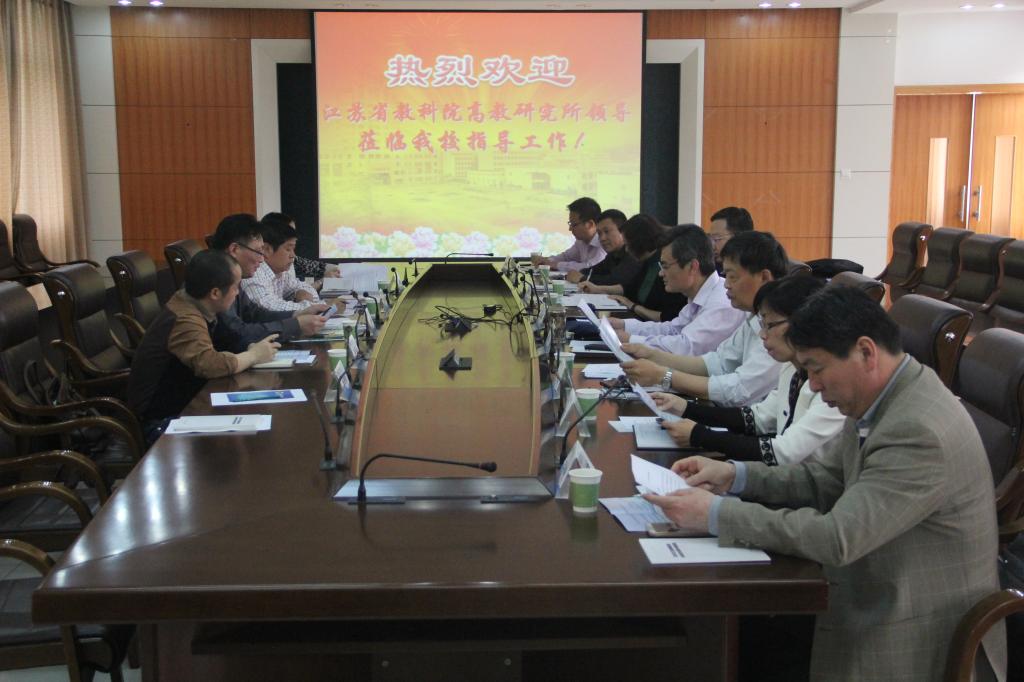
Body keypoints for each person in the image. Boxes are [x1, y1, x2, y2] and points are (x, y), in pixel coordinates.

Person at [644, 286, 1005, 682]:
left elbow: (837, 538)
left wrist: (716, 514)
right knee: (735, 637)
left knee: (737, 646)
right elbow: (825, 479)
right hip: (868, 586)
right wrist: (735, 475)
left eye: (816, 369)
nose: (812, 386)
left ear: (865, 352)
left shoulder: (917, 430)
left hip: (908, 632)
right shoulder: (884, 395)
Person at [652, 275, 845, 465]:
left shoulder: (833, 388)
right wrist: (685, 408)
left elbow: (785, 452)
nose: (762, 335)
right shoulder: (791, 368)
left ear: (801, 322)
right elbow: (758, 417)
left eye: (769, 325)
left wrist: (701, 436)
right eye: (762, 325)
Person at [127, 250, 280, 441]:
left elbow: (229, 339)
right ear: (215, 293)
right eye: (235, 287)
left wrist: (249, 349)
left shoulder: (196, 304)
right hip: (160, 421)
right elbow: (210, 364)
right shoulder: (185, 318)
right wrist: (253, 356)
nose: (237, 293)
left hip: (188, 405)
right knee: (251, 436)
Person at [620, 231, 787, 407]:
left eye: (732, 277)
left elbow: (740, 390)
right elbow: (717, 363)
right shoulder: (753, 316)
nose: (726, 284)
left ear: (764, 277)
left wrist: (665, 376)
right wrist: (652, 354)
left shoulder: (781, 327)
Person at [608, 224, 744, 356]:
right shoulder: (699, 294)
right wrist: (623, 325)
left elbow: (687, 348)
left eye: (666, 266)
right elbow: (673, 329)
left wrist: (630, 339)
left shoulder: (722, 302)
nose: (661, 273)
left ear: (692, 267)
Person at [208, 213, 326, 347]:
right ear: (234, 249)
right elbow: (236, 334)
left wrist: (298, 314)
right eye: (258, 252)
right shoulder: (216, 278)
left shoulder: (231, 274)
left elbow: (255, 314)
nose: (262, 259)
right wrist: (296, 325)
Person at [578, 214, 686, 322]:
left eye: (628, 245)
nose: (626, 250)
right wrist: (598, 289)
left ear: (638, 241)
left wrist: (633, 306)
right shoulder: (647, 261)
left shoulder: (665, 268)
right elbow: (630, 288)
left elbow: (668, 318)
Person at [242, 218, 331, 312]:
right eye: (288, 249)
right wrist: (318, 306)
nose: (293, 255)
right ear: (267, 249)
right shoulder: (254, 273)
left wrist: (300, 292)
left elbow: (303, 287)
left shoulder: (280, 273)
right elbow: (270, 307)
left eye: (293, 249)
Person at [563, 209, 640, 286]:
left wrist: (583, 279)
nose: (602, 238)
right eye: (599, 233)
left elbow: (615, 281)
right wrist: (579, 274)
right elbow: (593, 271)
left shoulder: (632, 254)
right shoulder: (613, 255)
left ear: (622, 231)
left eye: (607, 231)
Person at [531, 197, 606, 273]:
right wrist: (546, 260)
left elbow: (590, 268)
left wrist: (556, 265)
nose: (570, 229)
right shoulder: (581, 241)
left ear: (590, 224)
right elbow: (566, 257)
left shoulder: (604, 242)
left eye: (574, 224)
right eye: (570, 224)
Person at [261, 212, 340, 281]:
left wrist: (339, 269)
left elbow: (317, 267)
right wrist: (321, 281)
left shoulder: (290, 263)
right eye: (289, 231)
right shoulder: (260, 272)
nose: (293, 255)